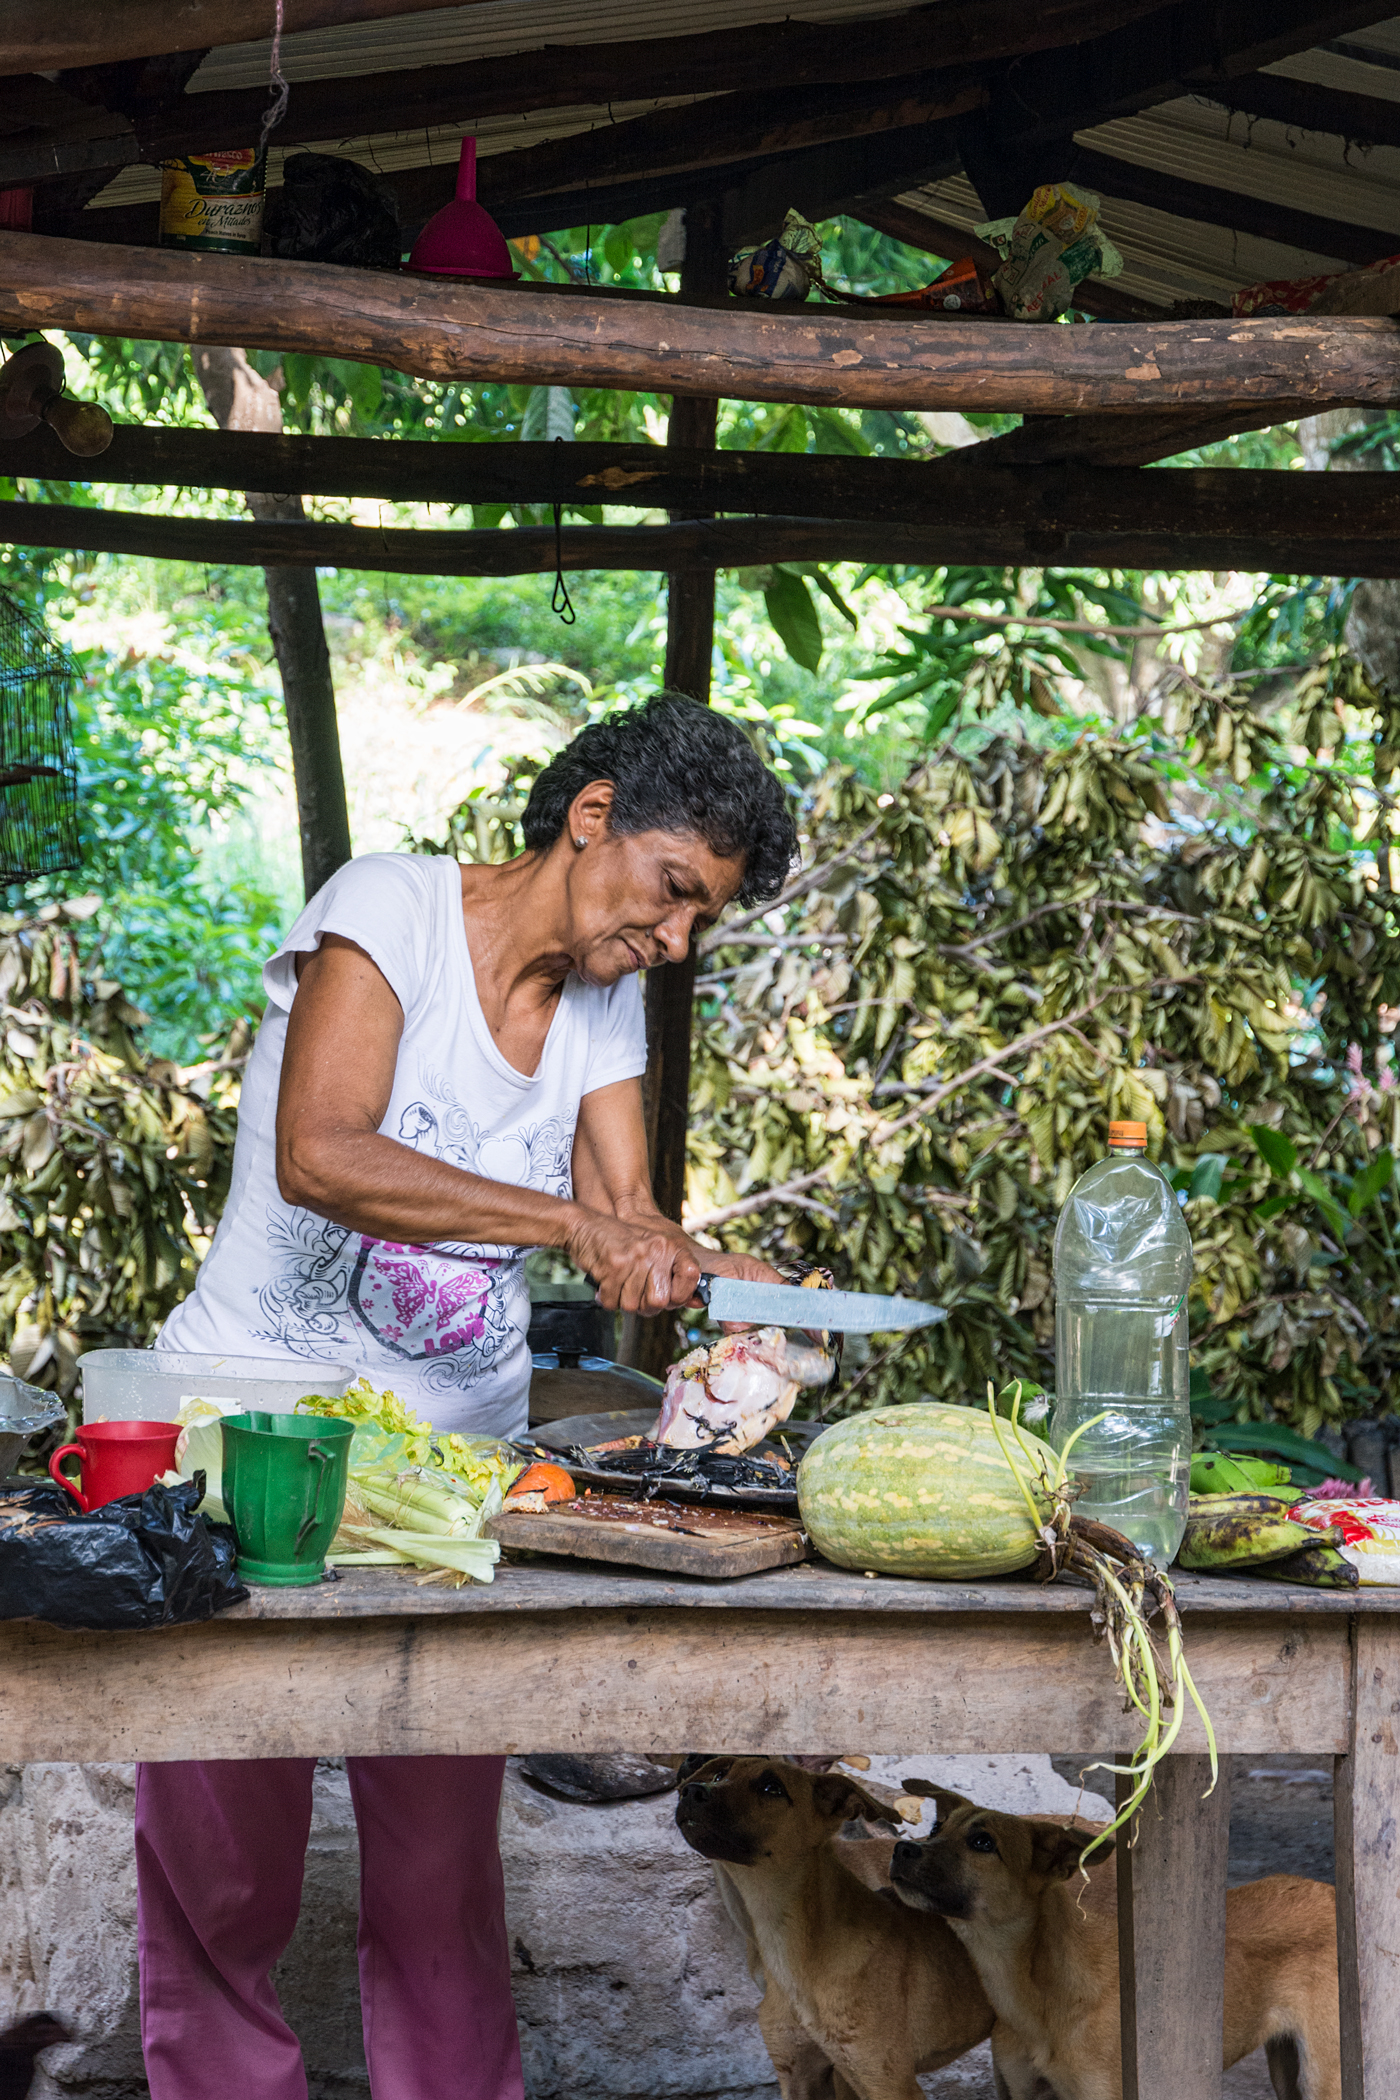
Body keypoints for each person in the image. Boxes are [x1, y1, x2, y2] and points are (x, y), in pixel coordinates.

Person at [139, 693, 799, 2100]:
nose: (677, 938)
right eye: (674, 889)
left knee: (439, 1878)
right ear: (592, 817)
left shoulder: (606, 1003)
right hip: (255, 1441)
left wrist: (695, 1266)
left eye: (701, 917)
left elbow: (625, 1211)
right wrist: (574, 1227)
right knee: (224, 1871)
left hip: (456, 1488)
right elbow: (323, 1151)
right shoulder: (389, 911)